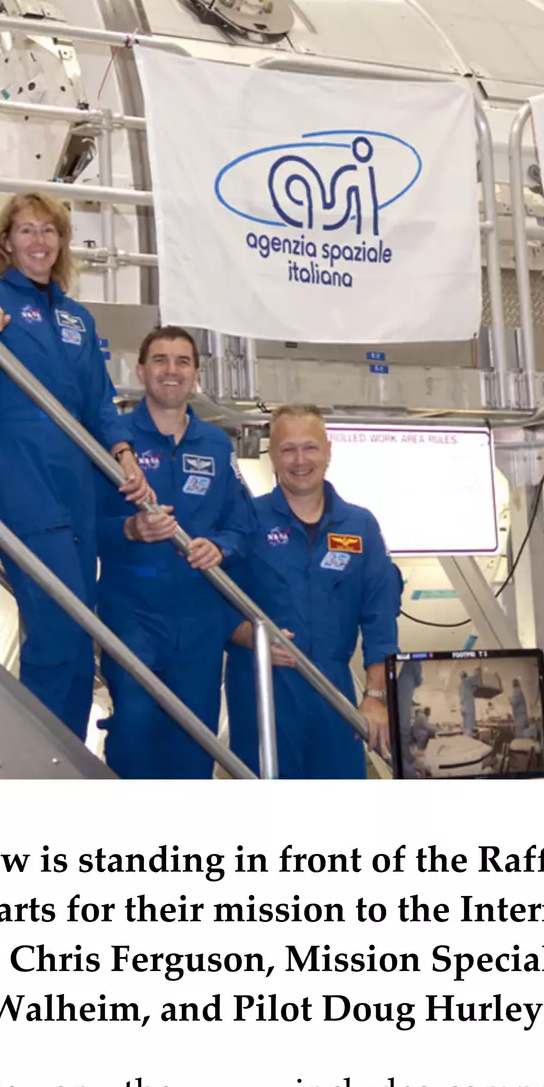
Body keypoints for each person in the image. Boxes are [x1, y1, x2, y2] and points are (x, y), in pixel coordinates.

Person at [0, 193, 152, 739]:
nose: (39, 241)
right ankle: (36, 763)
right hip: (23, 474)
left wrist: (122, 453)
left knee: (79, 628)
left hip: (80, 484)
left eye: (49, 231)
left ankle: (65, 758)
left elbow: (98, 401)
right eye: (26, 231)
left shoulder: (77, 316)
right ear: (5, 242)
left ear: (63, 243)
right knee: (54, 629)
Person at [96, 326, 254, 779]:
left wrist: (220, 548)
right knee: (135, 727)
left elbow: (243, 526)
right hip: (133, 613)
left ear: (196, 375)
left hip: (200, 619)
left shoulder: (217, 445)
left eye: (183, 361)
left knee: (194, 740)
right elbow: (85, 526)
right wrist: (130, 528)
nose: (172, 370)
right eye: (161, 360)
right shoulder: (115, 441)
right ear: (141, 371)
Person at [225, 406, 401, 780]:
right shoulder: (244, 521)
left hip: (333, 693)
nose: (300, 460)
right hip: (261, 692)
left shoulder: (360, 526)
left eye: (311, 448)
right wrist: (246, 636)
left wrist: (376, 697)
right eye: (288, 449)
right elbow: (210, 603)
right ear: (271, 453)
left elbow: (379, 618)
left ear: (328, 451)